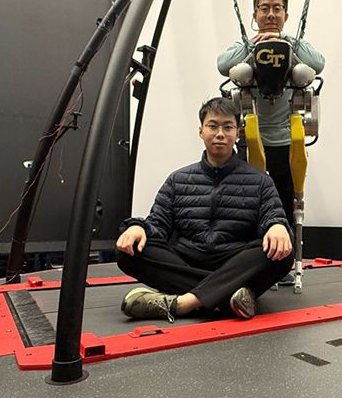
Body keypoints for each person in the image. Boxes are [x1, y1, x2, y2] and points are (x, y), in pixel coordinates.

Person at [115, 97, 294, 322]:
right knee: (127, 250)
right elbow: (158, 224)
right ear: (201, 131)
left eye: (227, 127)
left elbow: (273, 216)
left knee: (282, 253)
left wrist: (277, 225)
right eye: (213, 126)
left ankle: (181, 303)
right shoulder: (177, 180)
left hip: (235, 261)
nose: (220, 133)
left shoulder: (261, 182)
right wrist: (138, 227)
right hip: (187, 261)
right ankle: (229, 297)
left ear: (237, 133)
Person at [217, 0, 324, 284]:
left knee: (288, 200)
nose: (270, 14)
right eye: (264, 8)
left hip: (287, 141)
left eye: (277, 8)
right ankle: (252, 260)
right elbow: (223, 64)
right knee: (248, 202)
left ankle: (285, 265)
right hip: (251, 139)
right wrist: (253, 46)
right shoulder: (246, 46)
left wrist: (286, 42)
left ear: (286, 15)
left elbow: (318, 63)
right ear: (254, 14)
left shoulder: (293, 46)